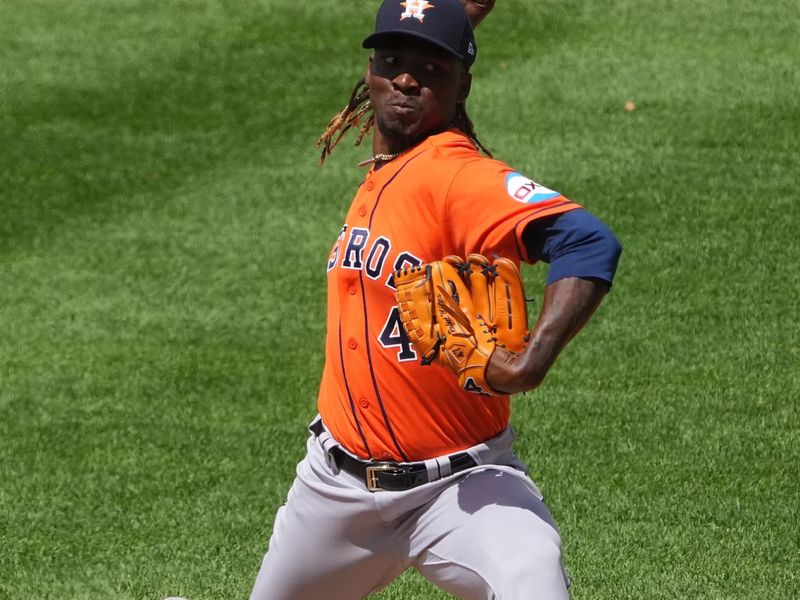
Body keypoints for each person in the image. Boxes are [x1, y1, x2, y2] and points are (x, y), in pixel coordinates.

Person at [250, 1, 622, 598]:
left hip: (463, 489)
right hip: (333, 492)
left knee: (534, 582)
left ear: (462, 84)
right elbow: (415, 63)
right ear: (368, 72)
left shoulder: (455, 174)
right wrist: (449, 26)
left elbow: (588, 241)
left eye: (431, 70)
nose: (404, 79)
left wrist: (531, 364)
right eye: (391, 62)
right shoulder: (388, 161)